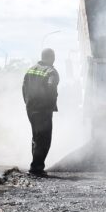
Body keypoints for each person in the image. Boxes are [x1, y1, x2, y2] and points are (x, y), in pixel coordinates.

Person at [22, 47, 60, 176]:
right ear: (51, 57)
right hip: (43, 110)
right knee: (43, 139)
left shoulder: (31, 69)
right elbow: (51, 87)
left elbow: (23, 88)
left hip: (30, 108)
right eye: (53, 56)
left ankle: (35, 165)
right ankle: (36, 168)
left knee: (36, 137)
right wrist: (50, 104)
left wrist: (27, 103)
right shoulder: (51, 71)